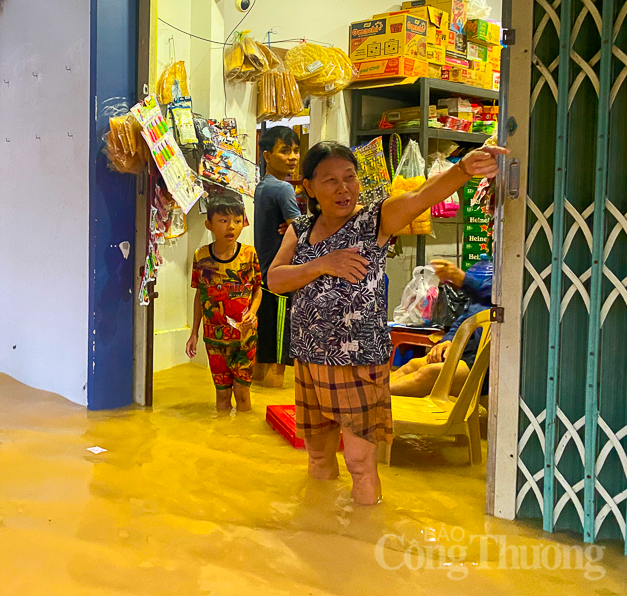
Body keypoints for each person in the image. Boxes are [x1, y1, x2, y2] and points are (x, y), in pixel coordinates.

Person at [268, 140, 506, 505]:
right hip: (308, 357)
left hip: (358, 360)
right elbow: (275, 279)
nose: (343, 188)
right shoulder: (300, 229)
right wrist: (322, 264)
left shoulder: (375, 219)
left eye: (350, 177)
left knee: (360, 463)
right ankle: (320, 532)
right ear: (309, 187)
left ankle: (364, 544)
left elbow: (423, 196)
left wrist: (463, 170)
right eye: (330, 180)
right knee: (317, 456)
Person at [186, 192, 263, 412]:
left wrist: (253, 312)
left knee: (242, 394)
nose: (231, 227)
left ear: (243, 223)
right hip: (214, 339)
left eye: (237, 221)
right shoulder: (200, 257)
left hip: (244, 338)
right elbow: (200, 297)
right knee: (221, 396)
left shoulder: (249, 255)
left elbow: (258, 289)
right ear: (209, 224)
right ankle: (222, 440)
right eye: (223, 221)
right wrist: (194, 333)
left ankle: (241, 439)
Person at [391, 259, 492, 397]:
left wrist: (465, 280)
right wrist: (448, 340)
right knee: (414, 364)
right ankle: (372, 397)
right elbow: (464, 318)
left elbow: (503, 296)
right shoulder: (491, 269)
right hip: (469, 351)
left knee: (429, 373)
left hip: (491, 363)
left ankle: (374, 399)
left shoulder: (517, 273)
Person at [253, 126, 301, 388]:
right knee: (279, 355)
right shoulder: (283, 189)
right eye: (285, 151)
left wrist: (292, 226)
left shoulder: (262, 187)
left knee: (265, 347)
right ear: (267, 155)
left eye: (295, 150)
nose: (293, 157)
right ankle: (270, 404)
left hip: (264, 276)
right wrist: (298, 225)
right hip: (282, 278)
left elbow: (293, 226)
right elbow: (302, 231)